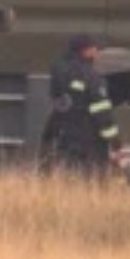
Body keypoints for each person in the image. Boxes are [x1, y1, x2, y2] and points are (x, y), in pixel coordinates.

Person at [41, 34, 121, 176]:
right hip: (90, 143)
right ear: (86, 51)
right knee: (92, 182)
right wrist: (115, 142)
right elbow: (102, 113)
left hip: (66, 139)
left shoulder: (60, 74)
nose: (97, 54)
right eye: (95, 49)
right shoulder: (92, 77)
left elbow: (59, 106)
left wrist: (48, 136)